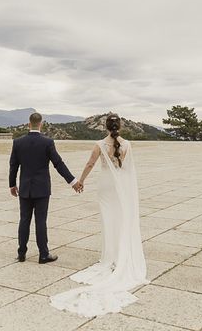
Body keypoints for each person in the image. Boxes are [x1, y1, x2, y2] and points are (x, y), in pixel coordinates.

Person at [50, 113, 148, 316]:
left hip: (105, 187)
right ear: (120, 126)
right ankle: (119, 256)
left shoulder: (100, 145)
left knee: (108, 223)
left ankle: (109, 258)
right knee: (120, 222)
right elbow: (128, 170)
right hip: (119, 187)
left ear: (105, 127)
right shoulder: (128, 145)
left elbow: (90, 164)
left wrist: (81, 181)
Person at [9, 112, 83, 263]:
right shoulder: (47, 142)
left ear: (29, 124)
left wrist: (12, 184)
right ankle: (43, 254)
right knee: (40, 221)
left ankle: (21, 253)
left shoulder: (18, 142)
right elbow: (58, 164)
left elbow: (13, 166)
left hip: (25, 189)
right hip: (42, 189)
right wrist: (73, 181)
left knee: (24, 220)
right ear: (40, 124)